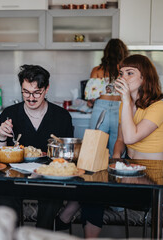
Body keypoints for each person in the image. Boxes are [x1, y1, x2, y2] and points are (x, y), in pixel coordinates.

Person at [55, 39, 129, 238]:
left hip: (101, 109)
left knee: (92, 154)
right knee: (116, 155)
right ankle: (115, 202)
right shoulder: (126, 70)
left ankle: (88, 192)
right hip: (121, 111)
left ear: (106, 52)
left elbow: (89, 97)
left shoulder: (97, 70)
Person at [0, 64, 74, 229]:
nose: (31, 98)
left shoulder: (61, 116)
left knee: (52, 200)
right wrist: (1, 137)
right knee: (4, 198)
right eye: (26, 92)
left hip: (49, 178)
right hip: (15, 177)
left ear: (46, 89)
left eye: (37, 92)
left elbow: (67, 157)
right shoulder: (9, 114)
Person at [113, 54, 163, 160]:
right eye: (121, 73)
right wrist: (116, 156)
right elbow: (121, 139)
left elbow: (130, 138)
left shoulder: (159, 107)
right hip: (130, 163)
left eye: (129, 73)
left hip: (152, 168)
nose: (123, 78)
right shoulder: (126, 104)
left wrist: (125, 100)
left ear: (144, 78)